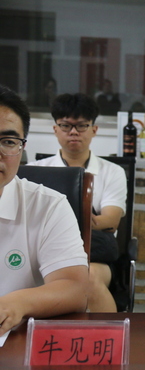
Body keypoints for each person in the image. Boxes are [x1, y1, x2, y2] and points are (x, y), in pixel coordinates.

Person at [0, 84, 88, 336]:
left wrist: (15, 304)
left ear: (22, 147)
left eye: (8, 141)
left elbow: (75, 289)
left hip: (16, 342)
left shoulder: (48, 206)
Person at [30, 93, 127, 313]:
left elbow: (110, 221)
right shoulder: (37, 170)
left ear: (94, 129)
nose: (73, 132)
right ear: (55, 129)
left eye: (82, 126)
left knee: (87, 277)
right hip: (45, 251)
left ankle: (107, 335)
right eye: (66, 126)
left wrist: (62, 221)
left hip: (93, 253)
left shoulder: (113, 172)